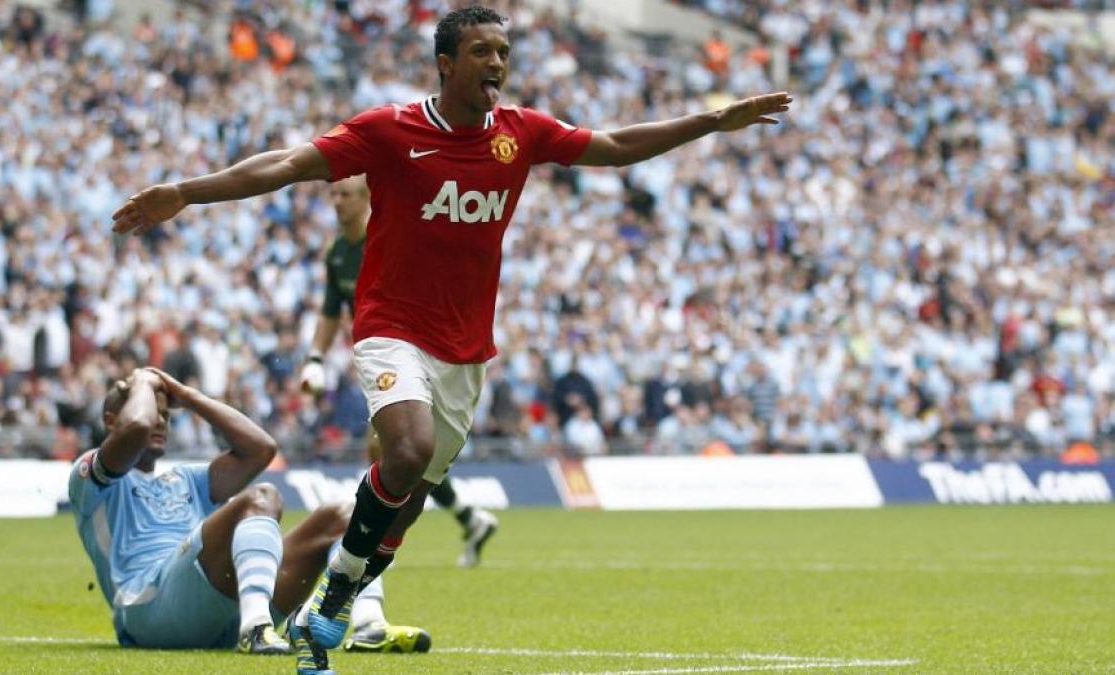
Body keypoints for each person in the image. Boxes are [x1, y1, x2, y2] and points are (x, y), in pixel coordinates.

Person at [111, 6, 790, 672]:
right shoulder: (389, 131)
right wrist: (187, 191)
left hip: (465, 352)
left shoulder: (519, 133)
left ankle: (337, 598)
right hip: (391, 329)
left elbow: (612, 148)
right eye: (481, 52)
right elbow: (289, 164)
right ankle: (341, 595)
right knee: (407, 449)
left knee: (403, 502)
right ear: (445, 64)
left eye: (502, 51)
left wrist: (712, 120)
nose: (497, 63)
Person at [67, 367, 426, 666]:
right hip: (148, 609)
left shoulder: (186, 478)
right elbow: (137, 427)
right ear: (111, 421)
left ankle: (368, 625)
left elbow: (261, 449)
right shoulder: (91, 478)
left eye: (166, 414)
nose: (159, 421)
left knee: (345, 515)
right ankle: (255, 627)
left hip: (218, 610)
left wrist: (188, 396)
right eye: (152, 409)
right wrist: (144, 381)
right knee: (262, 498)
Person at [300, 173, 500, 571]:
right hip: (375, 355)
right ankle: (464, 519)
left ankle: (371, 547)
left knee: (397, 451)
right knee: (401, 453)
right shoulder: (337, 251)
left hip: (413, 352)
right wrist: (315, 359)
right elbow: (330, 312)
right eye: (333, 194)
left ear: (367, 199)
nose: (337, 202)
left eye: (346, 194)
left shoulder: (390, 239)